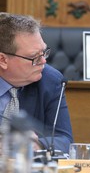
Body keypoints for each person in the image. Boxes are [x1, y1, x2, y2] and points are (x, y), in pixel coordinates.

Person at [0, 12, 73, 153]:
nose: (43, 61)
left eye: (43, 52)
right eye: (34, 57)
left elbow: (65, 140)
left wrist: (37, 144)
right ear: (3, 60)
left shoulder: (50, 81)